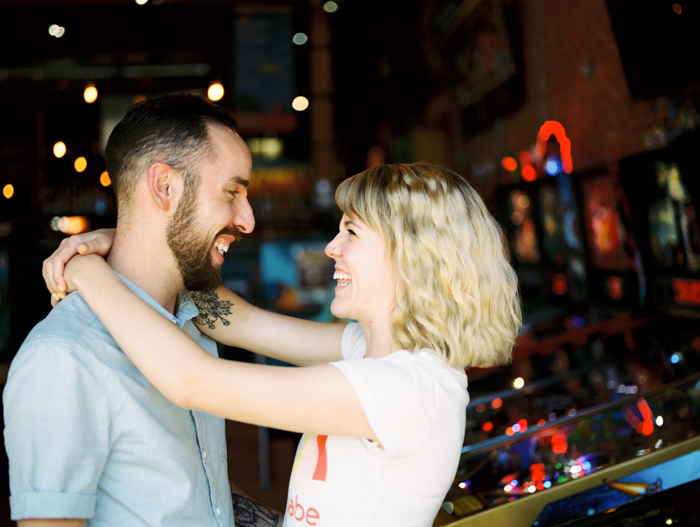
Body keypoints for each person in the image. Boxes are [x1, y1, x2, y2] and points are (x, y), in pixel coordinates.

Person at [44, 162, 522, 526]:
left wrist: (87, 271)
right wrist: (131, 247)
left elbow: (192, 382)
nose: (332, 247)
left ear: (413, 255)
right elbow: (237, 321)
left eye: (351, 232)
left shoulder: (406, 387)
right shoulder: (373, 352)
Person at [4, 94, 281, 527]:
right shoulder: (63, 357)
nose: (246, 219)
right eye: (232, 192)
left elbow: (188, 490)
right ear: (164, 186)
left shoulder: (195, 322)